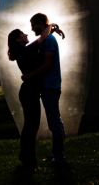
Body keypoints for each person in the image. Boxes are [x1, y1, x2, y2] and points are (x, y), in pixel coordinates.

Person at [7, 21, 63, 168]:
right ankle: (28, 159)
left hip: (29, 92)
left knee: (30, 126)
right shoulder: (26, 50)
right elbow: (43, 37)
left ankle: (26, 156)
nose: (27, 34)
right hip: (29, 93)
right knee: (31, 127)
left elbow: (43, 37)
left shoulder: (24, 50)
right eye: (23, 34)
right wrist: (51, 25)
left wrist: (51, 30)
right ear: (18, 39)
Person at [22, 13, 66, 165]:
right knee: (55, 121)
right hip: (48, 86)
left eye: (33, 25)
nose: (32, 29)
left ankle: (59, 157)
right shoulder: (48, 38)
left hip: (50, 86)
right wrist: (52, 27)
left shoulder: (48, 40)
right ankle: (57, 155)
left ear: (40, 23)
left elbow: (47, 65)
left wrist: (29, 75)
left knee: (55, 122)